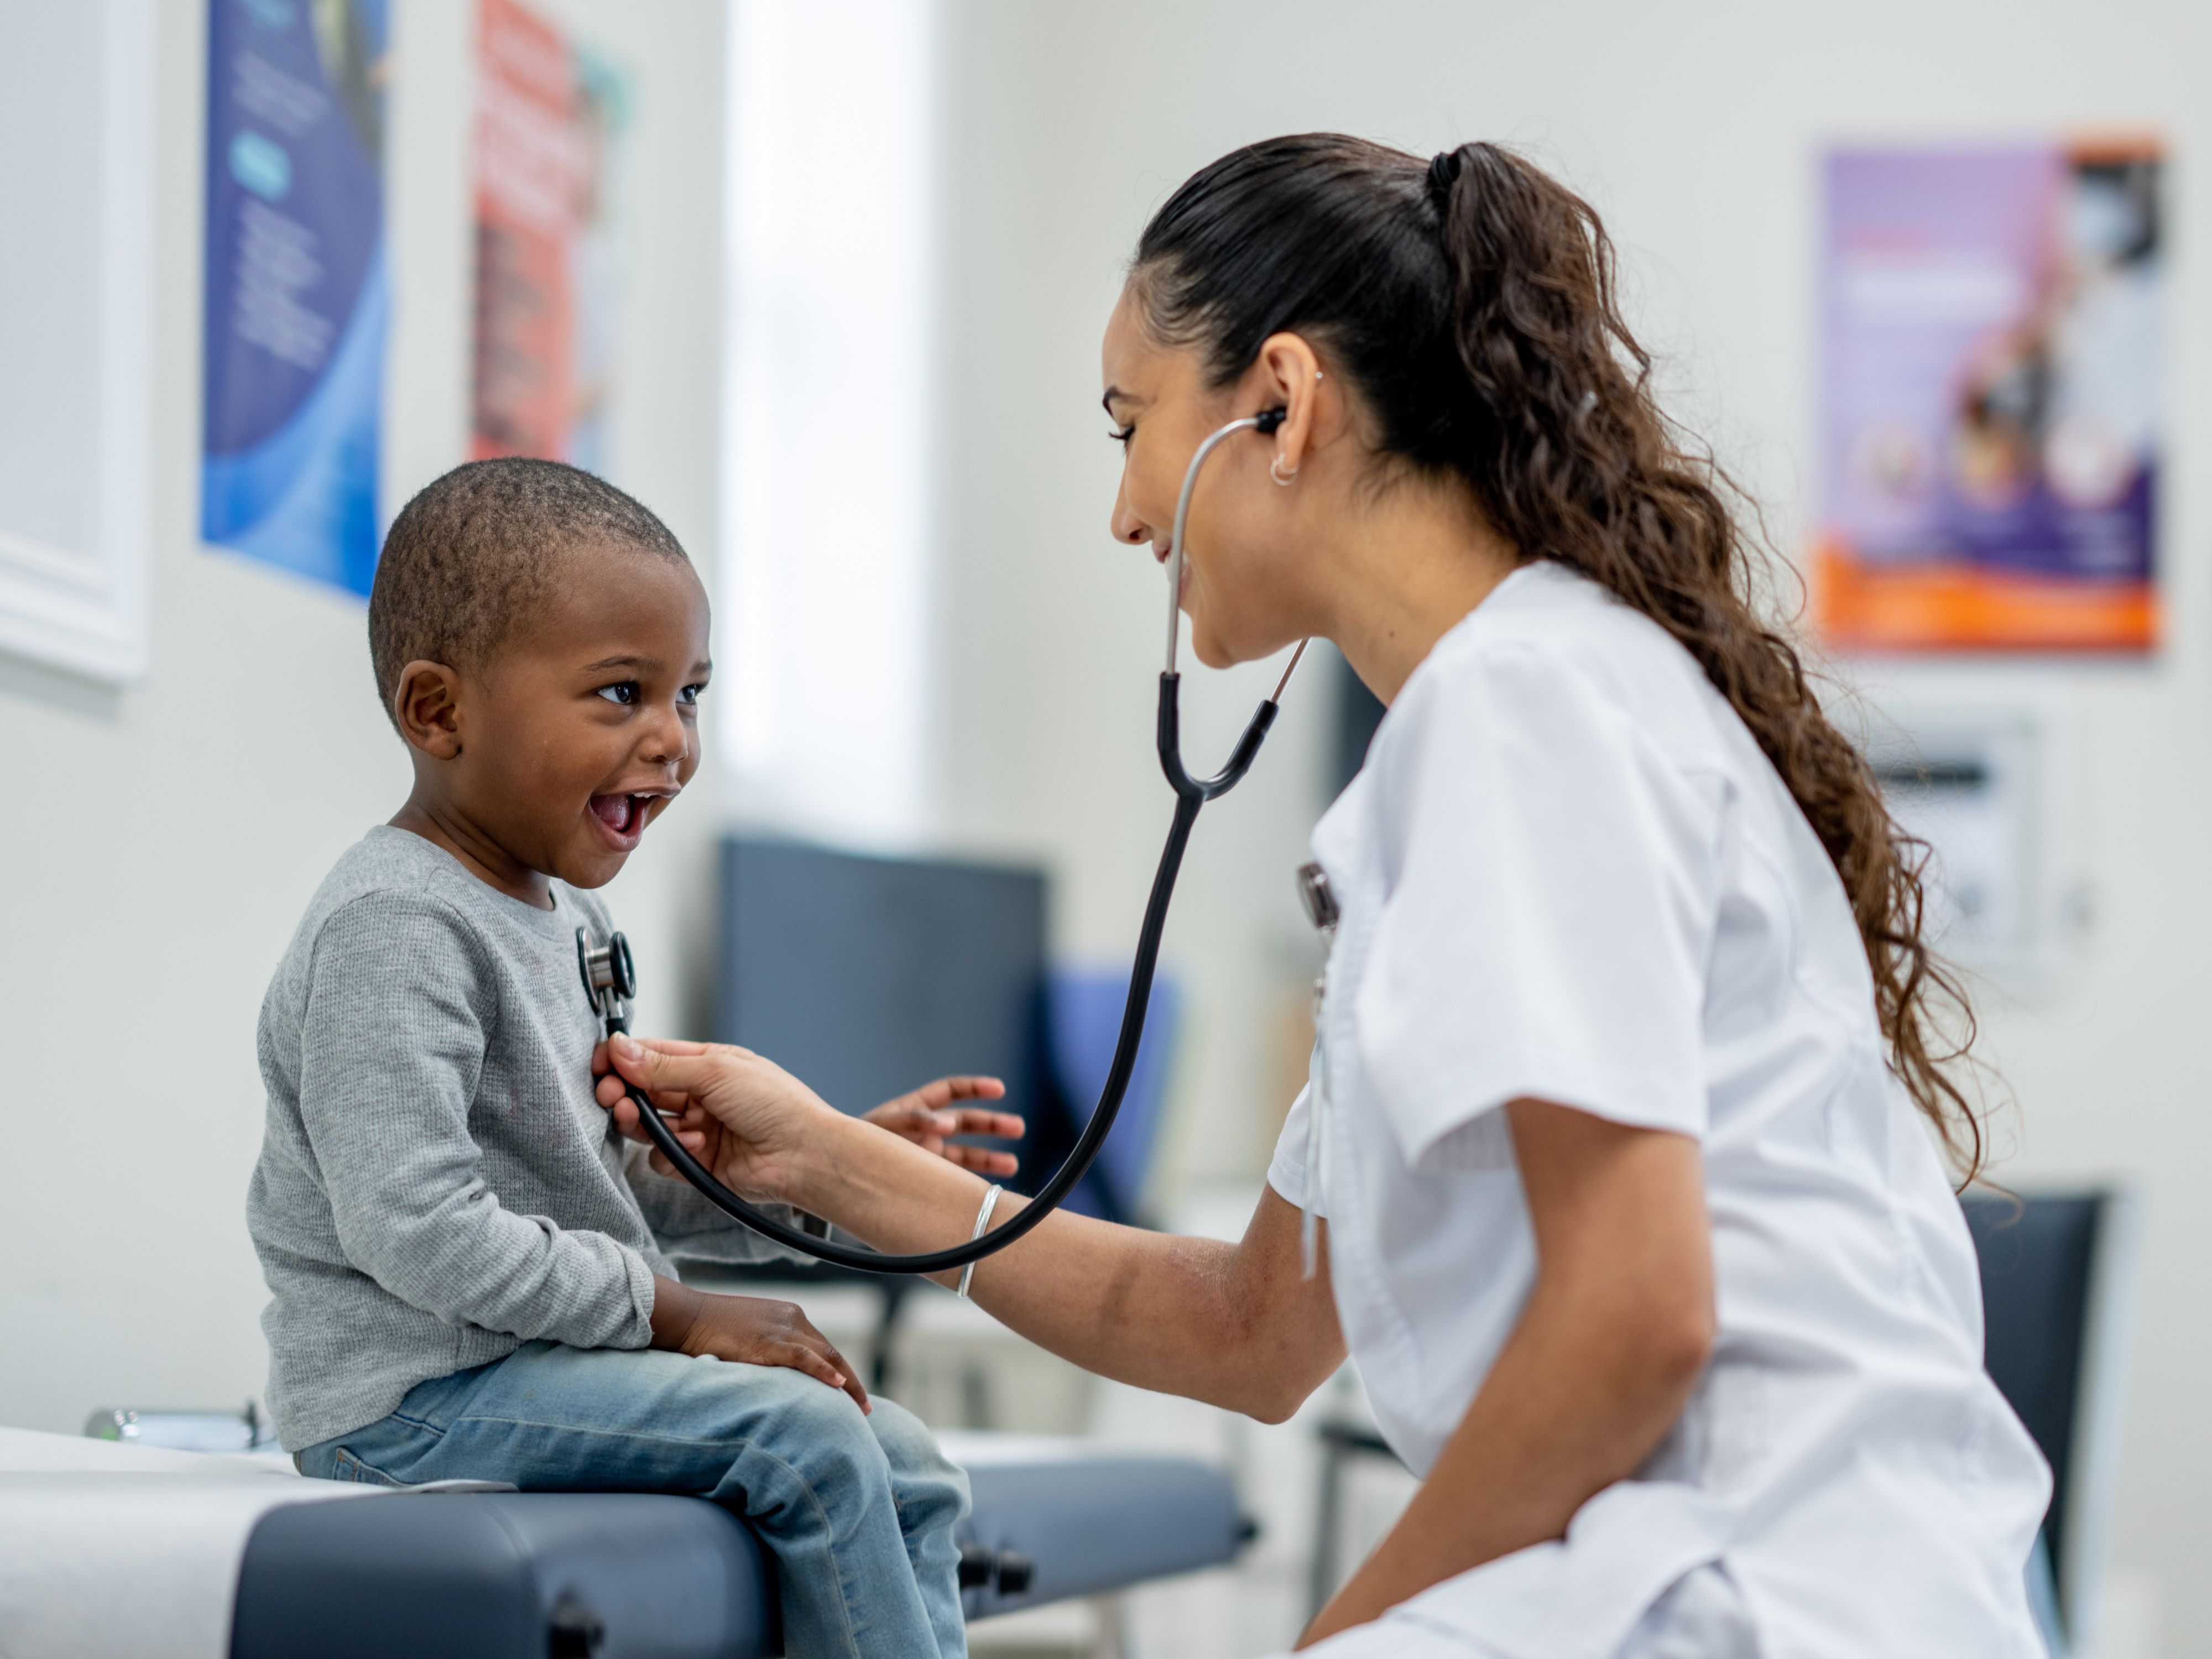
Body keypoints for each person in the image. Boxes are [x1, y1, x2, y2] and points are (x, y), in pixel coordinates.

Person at [596, 137, 2053, 1656]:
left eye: (1129, 427)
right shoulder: (1503, 714)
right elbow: (1256, 1328)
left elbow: (1634, 1327)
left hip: (1757, 1594)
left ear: (1280, 405)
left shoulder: (1522, 707)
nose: (1125, 515)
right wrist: (823, 1156)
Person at [245, 457, 1022, 1659]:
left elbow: (620, 1192)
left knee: (903, 1456)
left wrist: (837, 1170)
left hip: (544, 1366)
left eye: (690, 695)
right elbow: (417, 1231)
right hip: (411, 1403)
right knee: (804, 1438)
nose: (673, 741)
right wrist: (677, 1313)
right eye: (620, 693)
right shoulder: (396, 925)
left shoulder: (575, 925)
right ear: (438, 711)